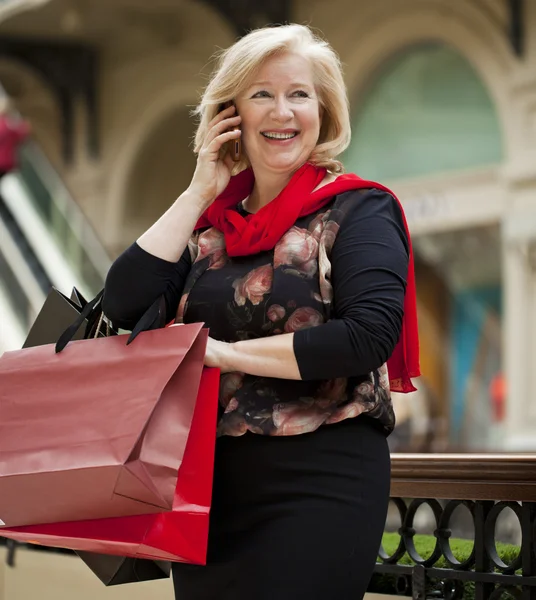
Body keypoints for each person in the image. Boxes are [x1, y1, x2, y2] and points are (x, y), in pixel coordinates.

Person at [103, 23, 420, 600]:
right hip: (206, 491)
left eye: (299, 93)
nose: (283, 110)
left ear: (322, 111)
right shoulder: (207, 231)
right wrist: (200, 190)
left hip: (320, 483)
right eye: (262, 94)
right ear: (232, 116)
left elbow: (366, 338)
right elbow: (123, 302)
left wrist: (221, 354)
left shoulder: (359, 209)